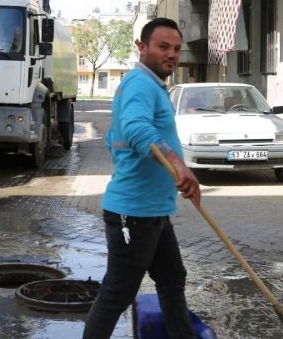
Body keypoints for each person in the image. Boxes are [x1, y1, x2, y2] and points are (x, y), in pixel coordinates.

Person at [83, 17, 201, 339]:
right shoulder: (140, 84)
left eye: (176, 48)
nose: (172, 54)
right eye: (163, 46)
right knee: (117, 293)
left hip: (153, 213)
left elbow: (114, 138)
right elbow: (135, 129)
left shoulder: (151, 86)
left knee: (172, 279)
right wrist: (177, 163)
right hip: (133, 214)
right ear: (142, 47)